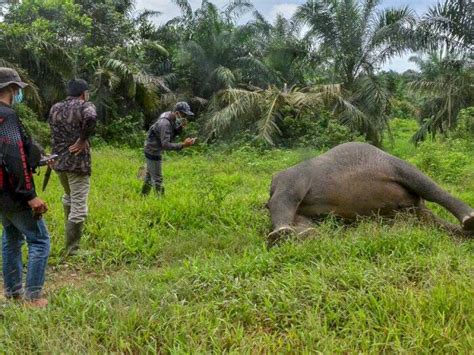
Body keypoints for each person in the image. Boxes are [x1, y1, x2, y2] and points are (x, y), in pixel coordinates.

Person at [0, 68, 50, 307]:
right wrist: (30, 195)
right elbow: (13, 157)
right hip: (14, 192)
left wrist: (38, 158)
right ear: (10, 89)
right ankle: (33, 296)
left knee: (11, 236)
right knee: (39, 240)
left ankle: (12, 292)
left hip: (1, 193)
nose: (18, 93)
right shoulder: (7, 116)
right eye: (17, 89)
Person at [48, 79, 97, 256]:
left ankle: (70, 242)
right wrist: (82, 140)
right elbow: (91, 118)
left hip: (59, 161)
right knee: (79, 204)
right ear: (83, 92)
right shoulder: (85, 106)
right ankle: (72, 249)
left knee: (68, 196)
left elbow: (52, 131)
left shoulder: (55, 107)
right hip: (77, 163)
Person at [142, 102, 196, 196]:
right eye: (184, 114)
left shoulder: (170, 116)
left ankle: (143, 196)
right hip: (153, 150)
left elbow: (170, 133)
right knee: (158, 179)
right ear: (177, 112)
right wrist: (183, 145)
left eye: (186, 115)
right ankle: (161, 202)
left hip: (152, 146)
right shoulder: (165, 123)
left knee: (149, 176)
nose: (185, 117)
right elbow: (166, 145)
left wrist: (179, 128)